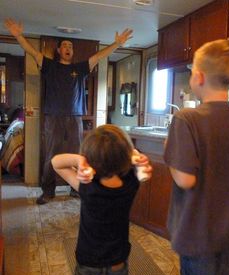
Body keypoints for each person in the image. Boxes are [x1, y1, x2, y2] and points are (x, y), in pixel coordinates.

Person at [4, 18, 133, 205]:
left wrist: (117, 43)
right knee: (51, 155)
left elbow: (100, 56)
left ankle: (76, 189)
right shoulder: (49, 65)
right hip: (53, 117)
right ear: (59, 50)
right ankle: (48, 191)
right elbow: (31, 51)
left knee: (78, 155)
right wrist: (18, 36)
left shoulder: (80, 68)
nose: (67, 47)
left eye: (70, 45)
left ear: (72, 51)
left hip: (75, 117)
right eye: (64, 45)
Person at [164, 39, 229, 275]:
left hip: (195, 228)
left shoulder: (187, 118)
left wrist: (172, 153)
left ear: (199, 76)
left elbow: (184, 178)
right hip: (225, 225)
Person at [51, 124, 152, 275]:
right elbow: (135, 159)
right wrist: (135, 156)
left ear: (90, 159)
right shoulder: (131, 183)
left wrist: (80, 160)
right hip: (117, 265)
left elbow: (56, 163)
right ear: (126, 158)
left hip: (88, 265)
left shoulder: (87, 187)